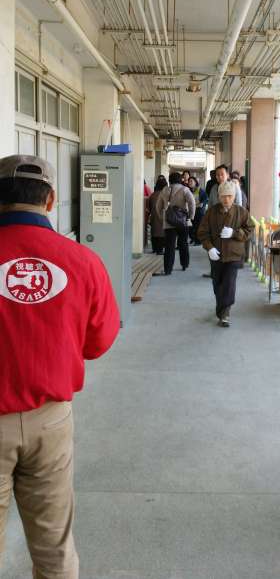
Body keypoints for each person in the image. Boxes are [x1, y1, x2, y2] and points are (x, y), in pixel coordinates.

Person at [0, 154, 119, 577]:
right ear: (50, 200)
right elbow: (98, 342)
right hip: (50, 421)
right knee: (53, 547)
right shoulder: (83, 261)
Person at [198, 180, 254, 327]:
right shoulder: (211, 212)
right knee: (217, 284)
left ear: (234, 196)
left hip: (234, 255)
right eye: (223, 196)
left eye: (229, 196)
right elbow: (202, 232)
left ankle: (225, 314)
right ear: (219, 196)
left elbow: (250, 230)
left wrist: (235, 233)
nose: (226, 199)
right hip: (216, 254)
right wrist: (209, 248)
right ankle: (221, 308)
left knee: (229, 284)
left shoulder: (241, 212)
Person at [157, 171, 195, 275]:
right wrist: (190, 217)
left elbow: (158, 206)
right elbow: (192, 203)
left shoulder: (165, 190)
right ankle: (184, 264)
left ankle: (168, 269)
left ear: (170, 180)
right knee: (183, 243)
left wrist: (162, 218)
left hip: (169, 222)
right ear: (180, 179)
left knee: (169, 246)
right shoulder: (185, 189)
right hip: (183, 222)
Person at [148, 175, 167, 254]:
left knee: (154, 232)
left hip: (153, 215)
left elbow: (149, 206)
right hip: (162, 216)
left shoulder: (153, 194)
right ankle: (159, 250)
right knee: (161, 233)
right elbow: (166, 206)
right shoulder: (164, 195)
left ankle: (154, 249)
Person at [188, 175, 208, 245]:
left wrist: (202, 203)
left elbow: (206, 198)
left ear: (195, 182)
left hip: (199, 211)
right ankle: (193, 238)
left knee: (198, 226)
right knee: (191, 226)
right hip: (191, 210)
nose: (189, 183)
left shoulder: (200, 190)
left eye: (191, 181)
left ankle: (198, 241)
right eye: (189, 181)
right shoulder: (189, 190)